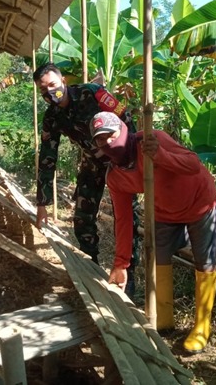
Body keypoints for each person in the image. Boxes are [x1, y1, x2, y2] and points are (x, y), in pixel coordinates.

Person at [89, 111, 216, 354]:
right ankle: (163, 319)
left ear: (123, 129)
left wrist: (161, 156)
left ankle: (202, 327)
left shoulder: (153, 140)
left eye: (110, 135)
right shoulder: (116, 176)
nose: (107, 142)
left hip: (200, 203)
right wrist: (121, 263)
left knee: (204, 262)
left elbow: (193, 164)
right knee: (159, 260)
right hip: (164, 211)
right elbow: (123, 219)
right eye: (100, 139)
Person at [33, 63, 140, 296]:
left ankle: (127, 276)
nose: (51, 92)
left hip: (118, 161)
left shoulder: (91, 93)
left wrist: (129, 158)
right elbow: (47, 157)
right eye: (44, 90)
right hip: (92, 163)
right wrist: (42, 204)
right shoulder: (52, 117)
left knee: (127, 217)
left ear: (63, 81)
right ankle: (89, 269)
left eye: (53, 85)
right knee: (82, 218)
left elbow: (125, 115)